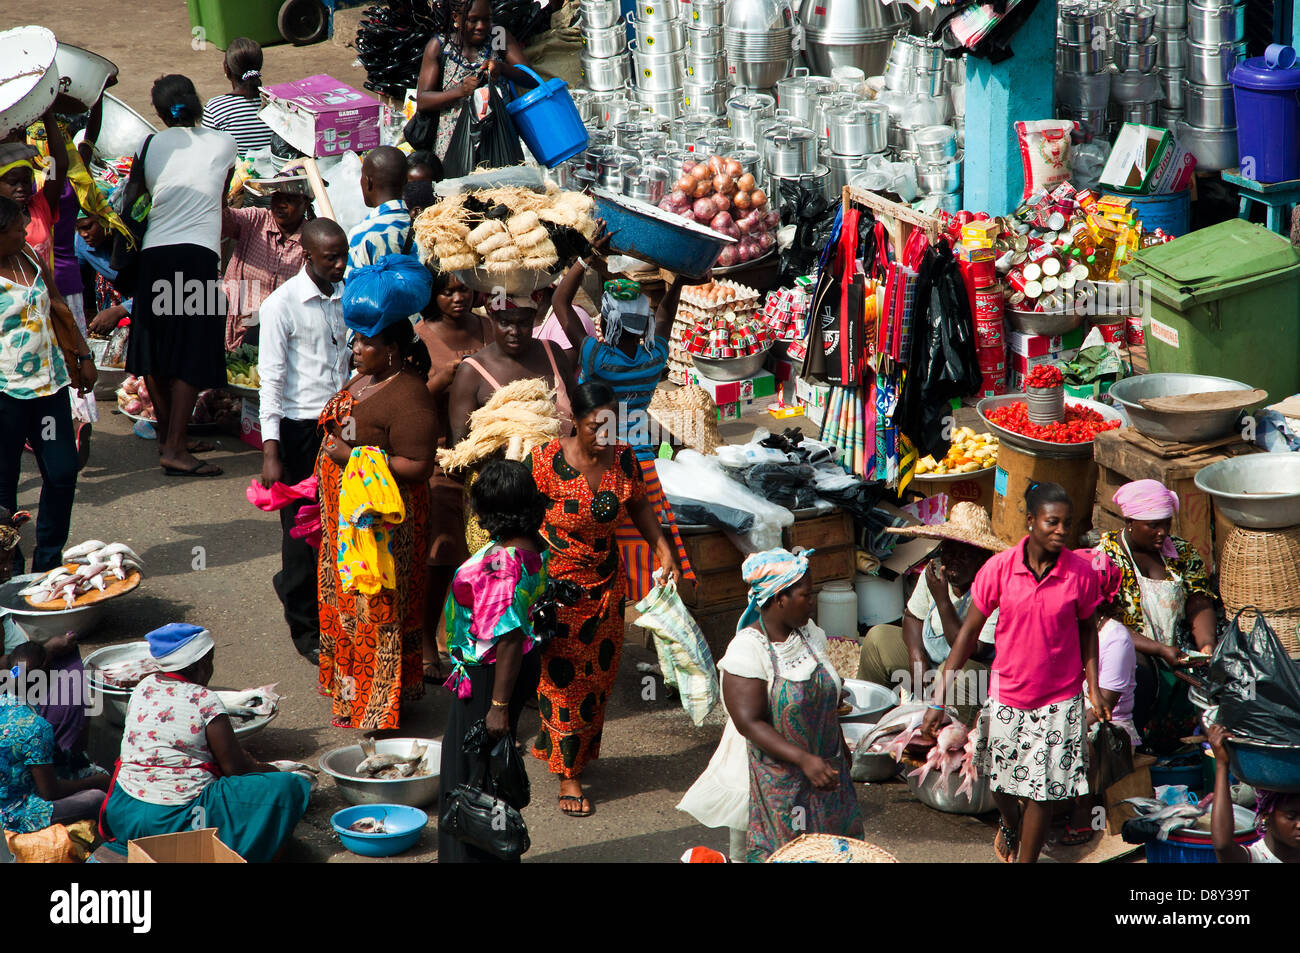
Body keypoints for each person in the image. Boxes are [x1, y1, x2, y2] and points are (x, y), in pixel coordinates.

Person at [921, 482, 1106, 863]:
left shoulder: (1080, 574)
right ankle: (1010, 823)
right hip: (1007, 694)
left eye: (1066, 525)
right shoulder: (999, 570)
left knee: (1041, 791)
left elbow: (1088, 627)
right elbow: (969, 632)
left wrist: (1095, 685)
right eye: (1052, 523)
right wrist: (938, 699)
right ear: (1030, 522)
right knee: (1000, 782)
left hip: (1059, 698)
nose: (1060, 532)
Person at [526, 382, 682, 816]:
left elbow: (640, 507)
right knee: (564, 679)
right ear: (574, 422)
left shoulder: (624, 459)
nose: (606, 432)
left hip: (608, 587)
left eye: (613, 423)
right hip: (557, 590)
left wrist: (662, 547)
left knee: (598, 677)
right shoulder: (543, 462)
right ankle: (569, 775)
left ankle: (574, 750)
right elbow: (520, 519)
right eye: (596, 425)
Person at [317, 260, 440, 729]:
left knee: (377, 613)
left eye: (367, 342)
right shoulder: (367, 378)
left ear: (392, 349)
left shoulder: (411, 397)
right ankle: (352, 694)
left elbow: (418, 465)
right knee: (348, 610)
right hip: (346, 526)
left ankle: (377, 709)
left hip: (382, 535)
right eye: (357, 340)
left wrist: (355, 458)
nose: (357, 349)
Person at [549, 251, 698, 601]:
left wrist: (585, 259)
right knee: (648, 542)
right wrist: (675, 282)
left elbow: (559, 301)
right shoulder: (654, 357)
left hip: (599, 455)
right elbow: (664, 317)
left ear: (610, 322)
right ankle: (654, 601)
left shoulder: (597, 358)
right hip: (640, 460)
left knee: (597, 536)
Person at [101, 624, 311, 861]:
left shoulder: (143, 687)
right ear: (202, 663)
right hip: (173, 822)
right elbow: (236, 769)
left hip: (124, 813)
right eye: (210, 660)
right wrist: (271, 770)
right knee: (286, 788)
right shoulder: (204, 700)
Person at [708, 548, 864, 861]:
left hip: (827, 772)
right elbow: (749, 723)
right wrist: (804, 759)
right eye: (806, 595)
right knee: (786, 853)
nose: (812, 601)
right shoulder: (747, 651)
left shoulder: (810, 635)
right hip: (779, 784)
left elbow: (824, 691)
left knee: (832, 852)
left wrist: (839, 744)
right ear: (780, 599)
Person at [124, 74, 238, 479]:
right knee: (192, 348)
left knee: (157, 345)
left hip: (155, 254)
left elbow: (134, 198)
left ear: (158, 111)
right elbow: (221, 195)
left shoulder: (150, 143)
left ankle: (170, 438)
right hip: (197, 257)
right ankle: (175, 446)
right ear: (197, 102)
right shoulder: (224, 143)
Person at [439, 458, 547, 863]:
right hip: (506, 670)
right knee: (486, 773)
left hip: (491, 678)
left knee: (470, 778)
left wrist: (498, 709)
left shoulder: (504, 563)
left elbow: (507, 636)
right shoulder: (530, 544)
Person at [256, 219, 350, 665]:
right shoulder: (281, 305)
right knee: (300, 532)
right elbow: (270, 381)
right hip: (298, 430)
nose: (339, 264)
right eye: (330, 257)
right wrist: (270, 449)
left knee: (336, 525)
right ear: (307, 257)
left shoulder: (346, 295)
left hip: (342, 425)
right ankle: (304, 627)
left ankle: (324, 607)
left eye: (343, 255)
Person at [0, 195, 96, 574]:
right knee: (4, 487)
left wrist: (83, 356)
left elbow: (56, 302)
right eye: (16, 228)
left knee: (61, 471)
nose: (26, 230)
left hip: (50, 387)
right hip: (5, 395)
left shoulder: (28, 257)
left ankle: (48, 561)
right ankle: (11, 567)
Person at [1095, 479, 1217, 752]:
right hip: (1128, 647)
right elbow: (1101, 622)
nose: (1162, 533)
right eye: (1153, 526)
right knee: (1139, 671)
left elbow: (1199, 599)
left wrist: (1206, 645)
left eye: (1166, 523)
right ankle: (1136, 750)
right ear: (1129, 521)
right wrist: (1158, 649)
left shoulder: (1181, 552)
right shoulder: (1103, 557)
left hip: (1174, 647)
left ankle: (1193, 748)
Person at [857, 503, 1004, 724]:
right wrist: (916, 654)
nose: (953, 560)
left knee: (956, 673)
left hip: (973, 670)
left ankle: (941, 743)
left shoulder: (993, 584)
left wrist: (942, 600)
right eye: (949, 551)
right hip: (933, 664)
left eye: (963, 555)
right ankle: (873, 723)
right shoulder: (935, 569)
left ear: (982, 558)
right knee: (877, 638)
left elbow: (974, 649)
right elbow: (913, 617)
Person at [415, 269, 491, 680]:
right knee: (440, 556)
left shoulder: (488, 326)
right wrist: (441, 380)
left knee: (480, 558)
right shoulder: (422, 336)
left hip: (487, 458)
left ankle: (472, 648)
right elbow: (410, 400)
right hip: (443, 459)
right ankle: (427, 641)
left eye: (463, 289)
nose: (457, 298)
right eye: (447, 292)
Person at [1066, 551, 1138, 847]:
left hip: (1112, 729)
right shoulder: (1068, 627)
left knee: (1079, 740)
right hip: (1071, 713)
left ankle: (1084, 815)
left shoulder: (1115, 638)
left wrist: (1061, 727)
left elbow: (1102, 706)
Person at [0, 642, 110, 834]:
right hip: (14, 813)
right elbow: (50, 793)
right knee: (97, 797)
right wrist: (94, 783)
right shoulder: (35, 726)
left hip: (8, 791)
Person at [414, 0, 539, 163]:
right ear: (456, 18)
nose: (481, 26)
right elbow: (423, 100)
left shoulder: (498, 37)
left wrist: (502, 68)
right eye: (473, 20)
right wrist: (460, 91)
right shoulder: (440, 46)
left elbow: (531, 79)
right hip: (454, 147)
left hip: (497, 142)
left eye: (486, 19)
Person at [448, 299, 577, 446]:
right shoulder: (471, 372)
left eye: (523, 323)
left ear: (533, 320)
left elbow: (580, 418)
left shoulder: (553, 352)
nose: (515, 332)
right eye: (505, 323)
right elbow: (458, 449)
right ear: (492, 319)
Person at [220, 174, 311, 350]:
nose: (281, 204)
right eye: (277, 197)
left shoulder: (310, 239)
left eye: (289, 200)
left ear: (305, 203)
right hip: (234, 323)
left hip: (280, 334)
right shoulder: (256, 220)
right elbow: (223, 218)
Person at [1207, 723, 1299, 863]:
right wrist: (1222, 765)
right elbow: (1223, 846)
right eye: (1291, 817)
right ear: (1266, 816)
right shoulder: (1257, 858)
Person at [0, 110, 68, 269]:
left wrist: (47, 111)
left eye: (25, 182)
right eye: (13, 182)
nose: (21, 188)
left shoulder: (39, 208)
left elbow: (60, 166)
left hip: (45, 291)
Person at [201, 38, 274, 156]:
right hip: (279, 173)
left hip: (236, 174)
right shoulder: (278, 103)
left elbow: (207, 153)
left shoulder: (215, 108)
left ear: (226, 68)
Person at [347, 146, 412, 272]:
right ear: (405, 181)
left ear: (368, 182)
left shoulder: (362, 235)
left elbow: (354, 287)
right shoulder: (426, 226)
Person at [76, 212, 132, 336]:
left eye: (88, 227)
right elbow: (72, 280)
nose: (83, 234)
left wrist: (121, 311)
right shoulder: (81, 243)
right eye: (78, 228)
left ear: (106, 221)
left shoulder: (133, 240)